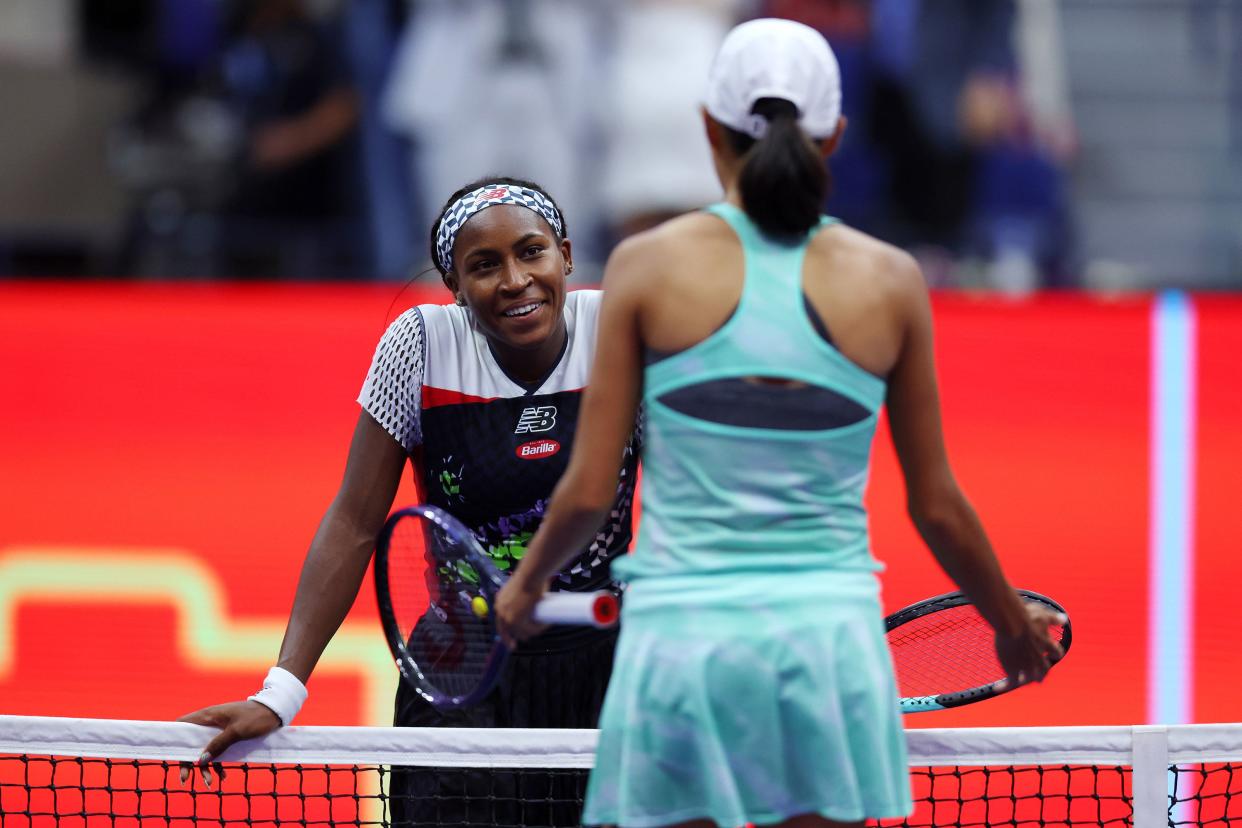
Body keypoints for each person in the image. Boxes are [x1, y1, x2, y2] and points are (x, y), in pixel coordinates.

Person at [495, 19, 1063, 828]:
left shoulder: (647, 266)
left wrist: (524, 588)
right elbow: (935, 503)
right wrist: (1009, 625)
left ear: (707, 127)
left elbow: (587, 489)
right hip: (826, 651)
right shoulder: (891, 282)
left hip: (683, 649)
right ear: (834, 137)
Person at [178, 176, 639, 827]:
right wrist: (281, 691)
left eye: (532, 252)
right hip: (464, 671)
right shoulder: (419, 346)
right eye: (484, 266)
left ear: (565, 254)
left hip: (608, 668)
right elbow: (354, 521)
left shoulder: (620, 328)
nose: (515, 280)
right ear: (454, 285)